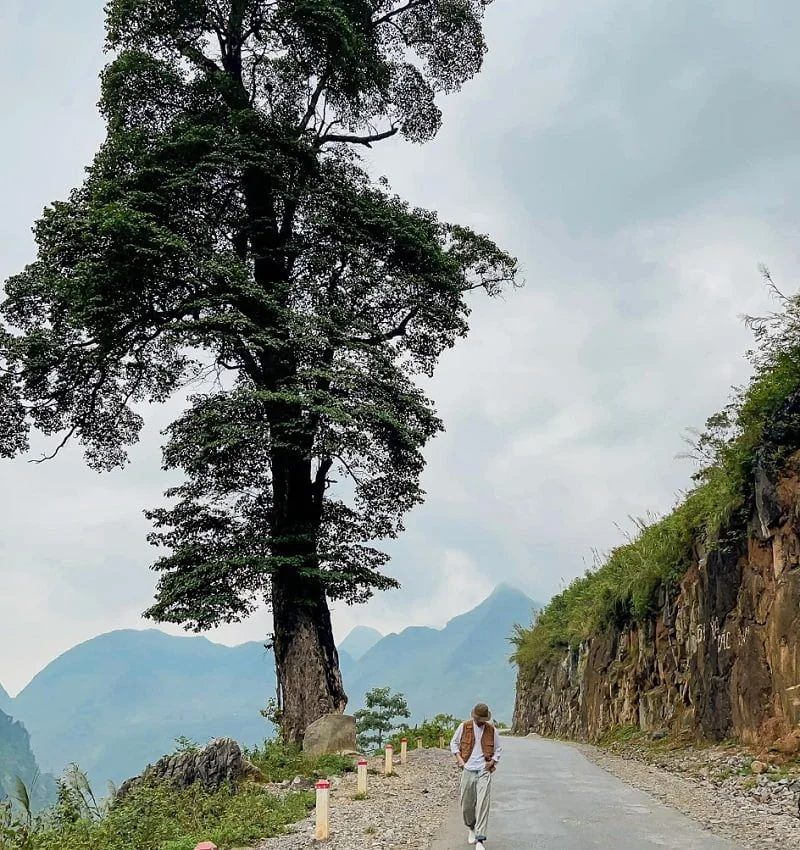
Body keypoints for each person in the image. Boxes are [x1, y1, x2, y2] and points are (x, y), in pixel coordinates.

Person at [449, 703, 502, 848]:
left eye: (483, 719)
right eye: (479, 718)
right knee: (467, 805)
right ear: (474, 716)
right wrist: (459, 760)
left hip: (484, 770)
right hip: (467, 768)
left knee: (483, 803)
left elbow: (498, 749)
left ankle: (480, 839)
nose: (480, 721)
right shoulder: (464, 727)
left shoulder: (491, 730)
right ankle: (471, 827)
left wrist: (492, 762)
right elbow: (453, 743)